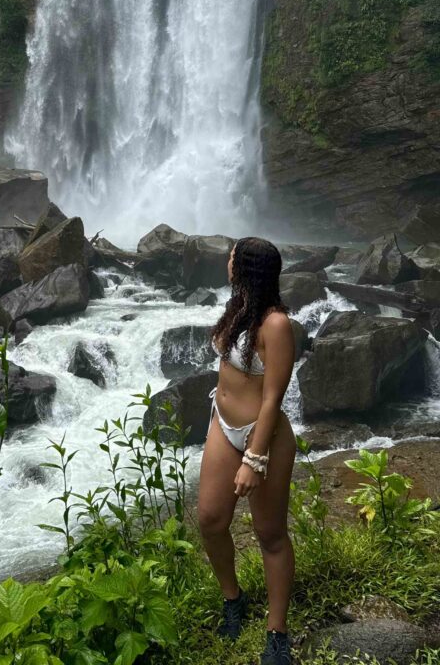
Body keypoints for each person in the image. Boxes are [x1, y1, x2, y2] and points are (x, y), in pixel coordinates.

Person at [197, 237, 296, 665]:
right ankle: (232, 598)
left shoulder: (275, 324)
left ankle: (276, 632)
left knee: (269, 534)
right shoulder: (239, 308)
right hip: (223, 423)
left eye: (233, 255)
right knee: (210, 519)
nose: (227, 260)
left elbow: (273, 398)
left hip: (264, 435)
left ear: (247, 268)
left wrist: (255, 459)